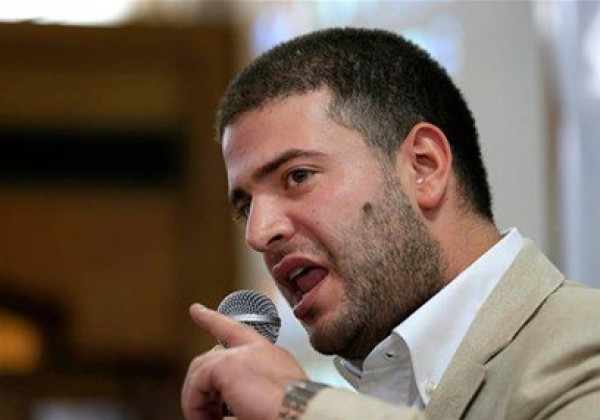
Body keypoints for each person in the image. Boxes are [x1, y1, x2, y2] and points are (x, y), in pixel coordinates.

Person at [181, 27, 600, 419]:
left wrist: (295, 402)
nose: (258, 233)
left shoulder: (583, 347)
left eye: (298, 176)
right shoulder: (375, 391)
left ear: (424, 166)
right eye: (245, 207)